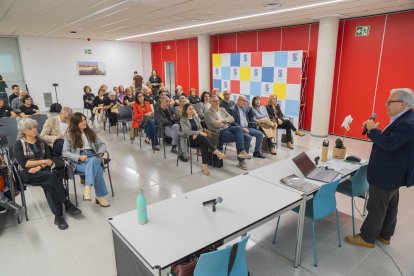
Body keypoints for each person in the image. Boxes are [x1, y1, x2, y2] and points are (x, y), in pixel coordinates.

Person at [346, 88, 414, 248]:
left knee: (376, 206)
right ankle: (385, 235)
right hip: (393, 173)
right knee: (390, 205)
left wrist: (372, 130)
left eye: (390, 102)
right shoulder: (404, 119)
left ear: (403, 103)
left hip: (387, 173)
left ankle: (367, 238)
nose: (386, 105)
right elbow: (392, 141)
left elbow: (390, 144)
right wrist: (373, 132)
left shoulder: (407, 123)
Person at [14, 118, 82, 230]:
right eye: (30, 128)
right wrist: (43, 162)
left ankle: (58, 216)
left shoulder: (42, 142)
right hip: (27, 173)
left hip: (42, 171)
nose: (34, 130)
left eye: (35, 127)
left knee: (49, 184)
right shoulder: (18, 144)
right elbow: (24, 163)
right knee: (51, 178)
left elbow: (50, 159)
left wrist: (39, 166)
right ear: (23, 131)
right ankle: (67, 203)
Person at [62, 112, 111, 207]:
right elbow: (65, 152)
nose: (84, 122)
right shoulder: (69, 134)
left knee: (94, 160)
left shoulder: (90, 131)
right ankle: (100, 196)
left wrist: (100, 151)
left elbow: (102, 144)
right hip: (79, 160)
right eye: (81, 121)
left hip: (93, 155)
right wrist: (79, 157)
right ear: (75, 123)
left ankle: (87, 188)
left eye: (85, 120)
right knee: (98, 168)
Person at [204, 96, 251, 170]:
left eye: (218, 101)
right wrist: (225, 121)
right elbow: (216, 126)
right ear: (210, 102)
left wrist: (221, 120)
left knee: (241, 130)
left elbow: (232, 119)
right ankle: (242, 160)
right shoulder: (207, 113)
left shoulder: (222, 109)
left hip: (228, 128)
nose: (217, 102)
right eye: (215, 101)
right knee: (246, 137)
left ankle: (241, 152)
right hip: (219, 132)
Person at [180, 103, 225, 175]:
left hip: (198, 138)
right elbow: (187, 131)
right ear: (186, 111)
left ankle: (205, 165)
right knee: (202, 137)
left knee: (203, 143)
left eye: (192, 108)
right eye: (190, 109)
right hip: (188, 139)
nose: (192, 110)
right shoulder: (183, 120)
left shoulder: (196, 118)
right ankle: (216, 152)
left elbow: (201, 128)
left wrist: (197, 133)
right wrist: (198, 133)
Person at [154, 96, 188, 162]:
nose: (168, 103)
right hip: (163, 128)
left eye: (169, 101)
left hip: (173, 127)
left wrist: (170, 119)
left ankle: (174, 147)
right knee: (180, 135)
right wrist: (172, 119)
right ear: (162, 102)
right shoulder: (157, 111)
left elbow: (177, 117)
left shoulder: (170, 108)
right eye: (167, 101)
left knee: (176, 127)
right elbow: (162, 121)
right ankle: (180, 152)